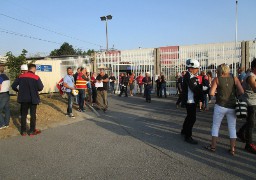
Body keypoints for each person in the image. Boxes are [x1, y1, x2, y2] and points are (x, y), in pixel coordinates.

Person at [205, 64, 244, 155]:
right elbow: (241, 91)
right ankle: (232, 149)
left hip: (220, 105)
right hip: (232, 106)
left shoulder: (217, 79)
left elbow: (211, 93)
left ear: (220, 71)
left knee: (216, 126)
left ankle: (213, 146)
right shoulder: (235, 79)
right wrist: (234, 94)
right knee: (232, 127)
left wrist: (218, 92)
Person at [12, 64, 44, 136]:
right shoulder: (36, 77)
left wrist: (19, 90)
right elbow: (40, 87)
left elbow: (13, 86)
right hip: (33, 99)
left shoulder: (20, 76)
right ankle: (32, 131)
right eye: (35, 69)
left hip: (23, 99)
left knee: (23, 115)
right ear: (33, 69)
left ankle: (23, 131)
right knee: (33, 115)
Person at [237, 58, 256, 154]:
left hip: (253, 102)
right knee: (251, 123)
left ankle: (240, 132)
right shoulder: (251, 77)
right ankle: (249, 144)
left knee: (250, 122)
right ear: (254, 68)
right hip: (250, 103)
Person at [181, 59, 202, 144]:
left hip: (190, 100)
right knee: (192, 118)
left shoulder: (189, 76)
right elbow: (195, 89)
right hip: (190, 101)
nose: (197, 70)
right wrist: (203, 93)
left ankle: (184, 130)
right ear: (192, 68)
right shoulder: (189, 77)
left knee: (189, 117)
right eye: (197, 68)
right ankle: (188, 136)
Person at [0, 65, 10, 129]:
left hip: (1, 95)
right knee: (7, 109)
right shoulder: (6, 77)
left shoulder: (0, 77)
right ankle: (6, 123)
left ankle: (2, 124)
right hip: (7, 94)